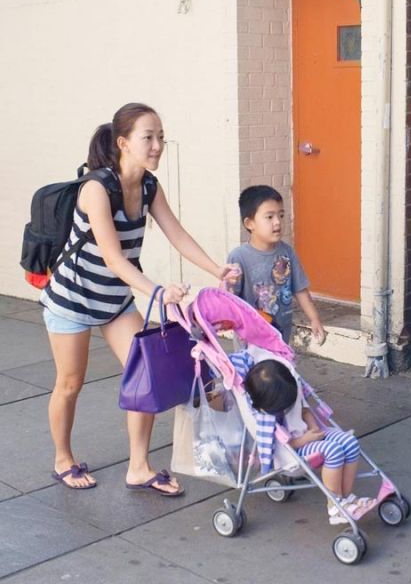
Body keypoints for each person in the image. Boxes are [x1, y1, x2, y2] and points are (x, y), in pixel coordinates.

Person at [40, 103, 240, 495]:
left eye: (160, 137)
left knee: (145, 374)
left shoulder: (149, 186)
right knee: (70, 382)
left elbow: (177, 234)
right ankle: (63, 459)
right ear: (123, 143)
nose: (157, 145)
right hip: (72, 300)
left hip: (114, 302)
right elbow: (114, 259)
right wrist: (158, 292)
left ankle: (138, 467)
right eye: (148, 137)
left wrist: (216, 268)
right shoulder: (97, 189)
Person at [244, 358, 373, 525]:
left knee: (350, 442)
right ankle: (335, 505)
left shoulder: (290, 391)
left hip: (309, 436)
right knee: (333, 451)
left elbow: (305, 411)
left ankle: (346, 497)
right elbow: (281, 446)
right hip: (292, 452)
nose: (288, 407)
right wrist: (305, 439)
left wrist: (314, 428)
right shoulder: (265, 419)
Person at [226, 185, 325, 345]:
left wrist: (314, 319)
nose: (277, 222)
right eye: (269, 217)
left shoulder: (287, 253)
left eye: (281, 215)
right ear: (250, 223)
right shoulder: (238, 257)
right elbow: (229, 299)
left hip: (281, 336)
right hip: (250, 341)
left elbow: (300, 289)